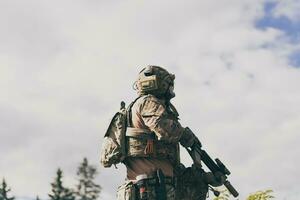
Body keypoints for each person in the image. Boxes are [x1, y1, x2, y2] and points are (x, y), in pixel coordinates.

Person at [104, 65, 210, 200]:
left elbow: (166, 162)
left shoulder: (136, 107)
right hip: (150, 189)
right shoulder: (147, 102)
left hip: (151, 189)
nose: (170, 88)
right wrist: (187, 137)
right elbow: (164, 127)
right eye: (167, 83)